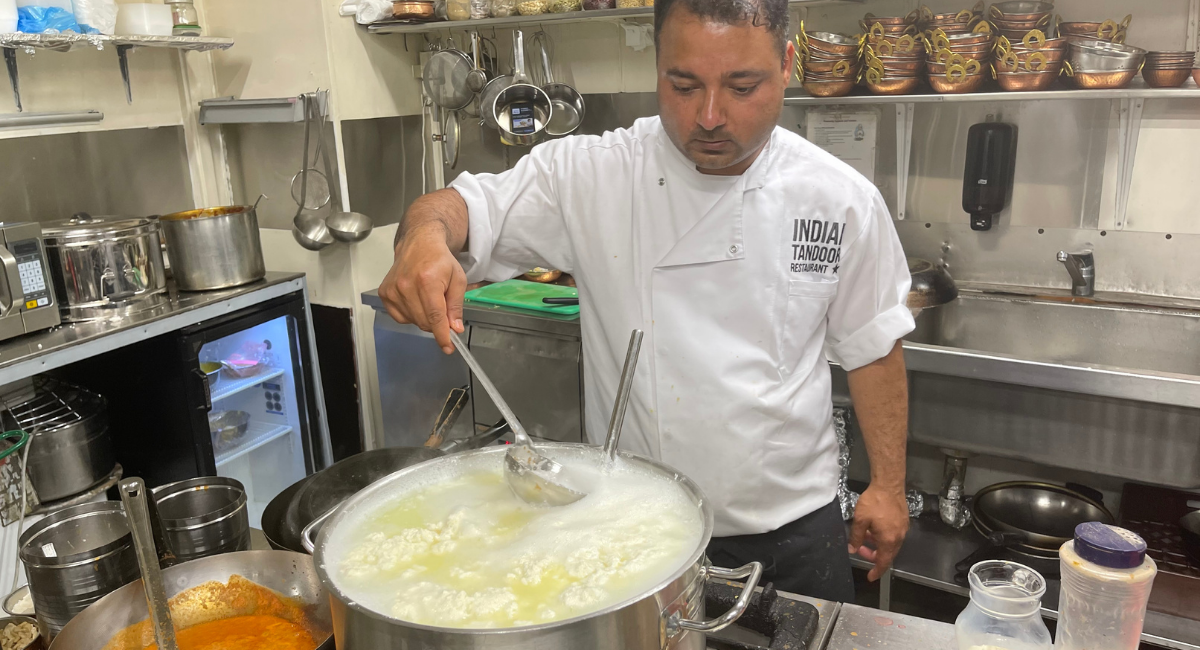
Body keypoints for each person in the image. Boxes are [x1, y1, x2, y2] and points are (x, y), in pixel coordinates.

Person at [378, 0, 913, 603]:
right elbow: (458, 208)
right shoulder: (592, 176)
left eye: (742, 87)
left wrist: (888, 486)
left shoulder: (839, 199)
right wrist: (423, 238)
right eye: (683, 86)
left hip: (791, 531)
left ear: (786, 65)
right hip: (632, 526)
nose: (709, 116)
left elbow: (873, 346)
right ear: (657, 66)